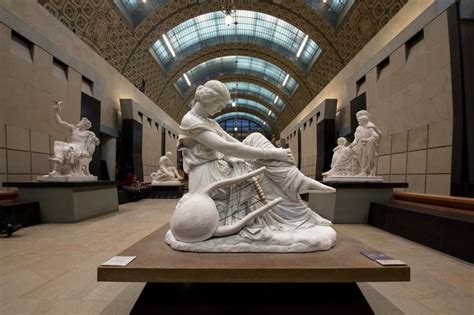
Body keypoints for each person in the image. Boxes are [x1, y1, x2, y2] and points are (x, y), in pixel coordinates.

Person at [177, 80, 335, 241]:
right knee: (263, 175)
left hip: (220, 166)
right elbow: (227, 148)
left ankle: (298, 192)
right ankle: (299, 205)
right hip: (208, 175)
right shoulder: (190, 120)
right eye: (220, 104)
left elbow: (234, 143)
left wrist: (268, 153)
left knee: (255, 137)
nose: (221, 109)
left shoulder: (210, 121)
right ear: (210, 99)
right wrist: (272, 155)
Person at [48, 101, 100, 176]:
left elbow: (97, 142)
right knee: (58, 143)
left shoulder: (88, 133)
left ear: (84, 125)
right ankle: (58, 161)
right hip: (72, 145)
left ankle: (62, 169)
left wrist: (94, 139)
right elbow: (60, 122)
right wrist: (56, 112)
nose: (79, 122)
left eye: (81, 121)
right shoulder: (73, 128)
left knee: (68, 149)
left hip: (80, 147)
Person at [350, 110, 382, 176]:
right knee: (351, 153)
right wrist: (353, 143)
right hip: (359, 146)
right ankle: (356, 170)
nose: (358, 121)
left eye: (359, 119)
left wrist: (366, 140)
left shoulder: (370, 127)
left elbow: (375, 136)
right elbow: (356, 138)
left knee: (365, 158)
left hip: (367, 146)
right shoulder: (358, 128)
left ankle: (365, 171)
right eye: (357, 119)